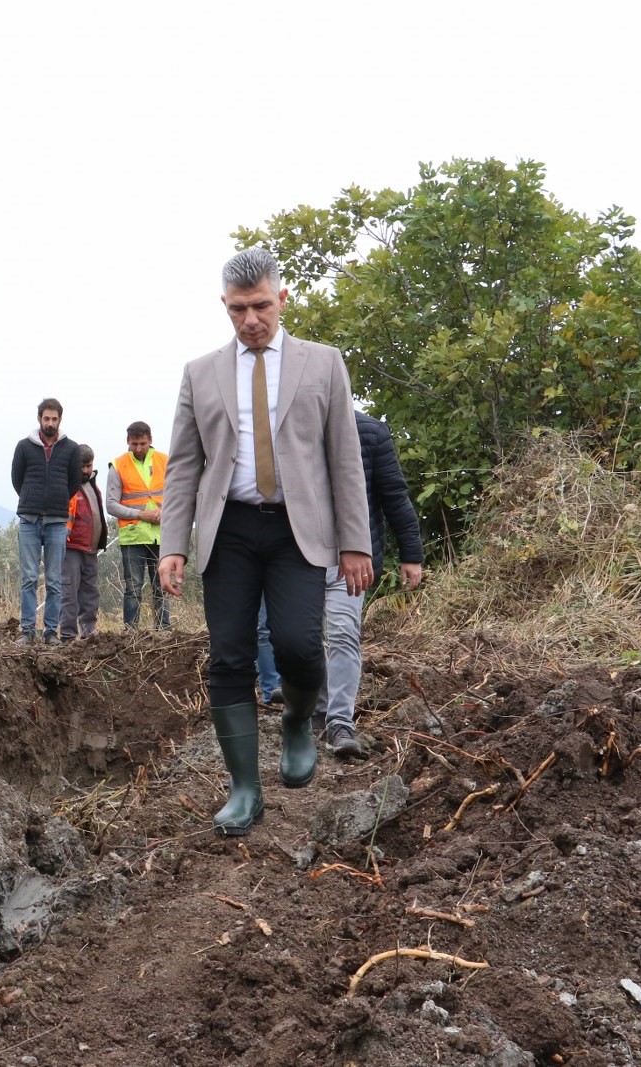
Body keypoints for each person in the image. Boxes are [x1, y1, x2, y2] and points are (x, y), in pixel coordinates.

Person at [158, 247, 372, 836]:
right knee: (228, 655)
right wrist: (172, 543)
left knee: (301, 644)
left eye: (259, 306)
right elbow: (182, 466)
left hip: (298, 530)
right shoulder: (200, 373)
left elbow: (345, 458)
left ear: (281, 298)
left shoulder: (323, 364)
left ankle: (300, 721)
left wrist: (356, 541)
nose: (250, 320)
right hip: (227, 530)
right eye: (236, 310)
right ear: (224, 308)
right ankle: (245, 790)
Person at [319, 411, 425, 758]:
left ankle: (339, 722)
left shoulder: (370, 432)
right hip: (294, 558)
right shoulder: (289, 426)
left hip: (350, 559)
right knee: (299, 639)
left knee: (343, 633)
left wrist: (411, 553)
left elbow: (393, 493)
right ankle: (316, 709)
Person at [11, 398, 82, 646]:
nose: (50, 423)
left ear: (60, 420)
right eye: (46, 418)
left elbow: (73, 483)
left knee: (54, 580)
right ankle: (27, 631)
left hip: (56, 522)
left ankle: (51, 632)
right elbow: (17, 480)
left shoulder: (72, 449)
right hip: (29, 520)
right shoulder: (23, 447)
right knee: (29, 578)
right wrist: (31, 499)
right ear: (39, 419)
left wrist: (57, 500)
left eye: (54, 419)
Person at [106, 421, 169, 630]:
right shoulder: (118, 465)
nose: (139, 448)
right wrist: (141, 514)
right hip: (132, 536)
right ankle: (131, 633)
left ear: (150, 440)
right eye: (134, 444)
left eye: (142, 443)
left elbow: (179, 495)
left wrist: (164, 511)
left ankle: (163, 630)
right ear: (128, 442)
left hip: (162, 534)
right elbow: (111, 504)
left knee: (162, 586)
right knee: (133, 588)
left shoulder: (165, 461)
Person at [61, 445, 108, 640]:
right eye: (83, 466)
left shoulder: (93, 485)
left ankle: (89, 632)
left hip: (91, 548)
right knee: (69, 592)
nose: (86, 470)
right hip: (71, 547)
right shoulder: (66, 485)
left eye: (89, 466)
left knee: (90, 593)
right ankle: (68, 635)